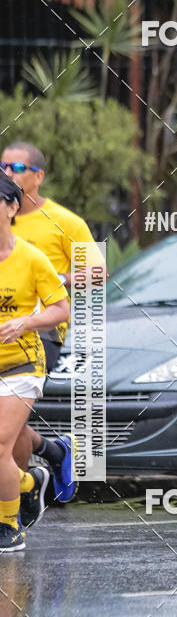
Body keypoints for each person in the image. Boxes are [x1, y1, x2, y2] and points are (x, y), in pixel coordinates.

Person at [1, 141, 103, 503]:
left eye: (16, 168)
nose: (8, 173)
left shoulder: (65, 222)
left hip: (42, 331)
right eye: (3, 166)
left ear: (38, 176)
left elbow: (98, 272)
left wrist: (58, 278)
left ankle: (17, 501)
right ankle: (53, 456)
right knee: (10, 423)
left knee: (8, 424)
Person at [0, 169, 69, 551]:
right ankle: (30, 483)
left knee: (0, 445)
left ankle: (9, 526)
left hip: (22, 365)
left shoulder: (31, 258)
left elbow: (61, 310)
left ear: (12, 207)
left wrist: (24, 322)